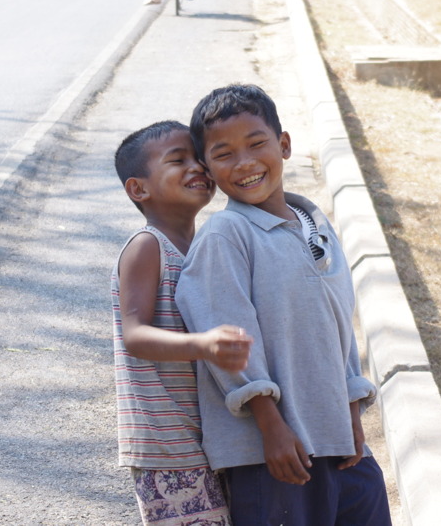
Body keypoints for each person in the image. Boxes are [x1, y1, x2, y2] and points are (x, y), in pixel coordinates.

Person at [175, 85, 393, 525]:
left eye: (257, 144)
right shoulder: (226, 235)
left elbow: (337, 327)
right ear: (209, 169)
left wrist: (351, 411)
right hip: (273, 454)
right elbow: (228, 341)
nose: (245, 163)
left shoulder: (316, 224)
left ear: (285, 145)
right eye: (224, 154)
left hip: (338, 441)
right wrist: (270, 427)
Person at [112, 120, 254, 526]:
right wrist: (204, 344)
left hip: (204, 436)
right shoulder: (147, 246)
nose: (197, 167)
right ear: (139, 189)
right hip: (167, 444)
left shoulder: (200, 246)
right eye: (178, 160)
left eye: (198, 157)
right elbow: (135, 335)